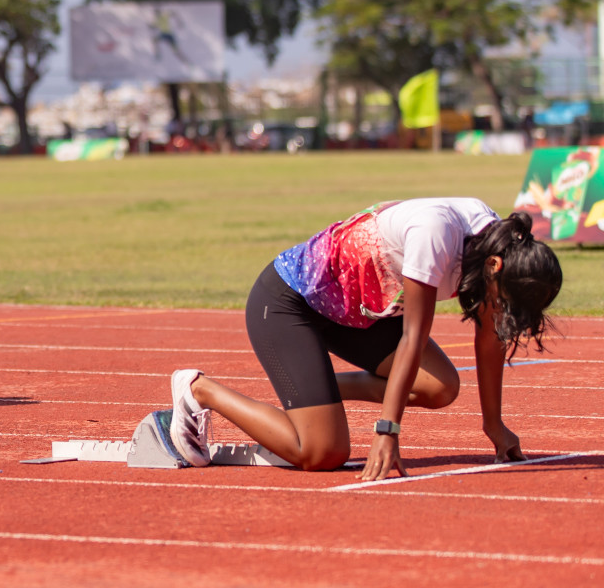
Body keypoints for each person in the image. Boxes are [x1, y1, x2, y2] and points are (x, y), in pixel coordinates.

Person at [166, 201, 562, 482]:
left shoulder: (499, 245)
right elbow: (412, 337)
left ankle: (312, 396)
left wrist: (494, 424)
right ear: (496, 268)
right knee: (322, 454)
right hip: (290, 302)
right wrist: (387, 431)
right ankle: (199, 390)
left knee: (440, 386)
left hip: (357, 314)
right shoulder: (436, 234)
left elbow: (490, 335)